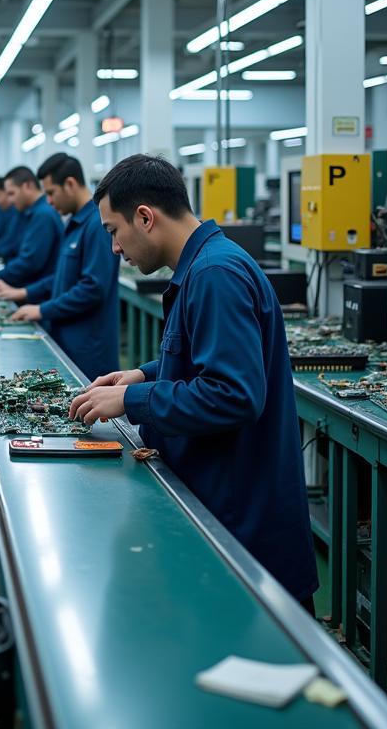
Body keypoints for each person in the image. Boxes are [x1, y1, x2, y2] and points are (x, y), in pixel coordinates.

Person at [69, 153, 318, 608]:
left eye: (113, 232)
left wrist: (132, 398)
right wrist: (144, 373)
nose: (115, 249)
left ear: (145, 217)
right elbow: (205, 357)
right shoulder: (206, 264)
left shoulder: (214, 275)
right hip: (225, 506)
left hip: (243, 532)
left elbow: (233, 395)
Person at [0, 153, 119, 379]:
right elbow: (61, 277)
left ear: (70, 184)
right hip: (65, 338)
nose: (48, 201)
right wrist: (25, 293)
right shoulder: (74, 224)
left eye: (51, 193)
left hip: (87, 350)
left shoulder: (96, 225)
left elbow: (92, 288)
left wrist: (42, 309)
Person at [0, 166, 62, 288]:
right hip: (29, 285)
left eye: (11, 194)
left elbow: (31, 262)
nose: (9, 200)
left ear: (28, 186)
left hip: (36, 291)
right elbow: (12, 241)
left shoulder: (43, 214)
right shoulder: (29, 212)